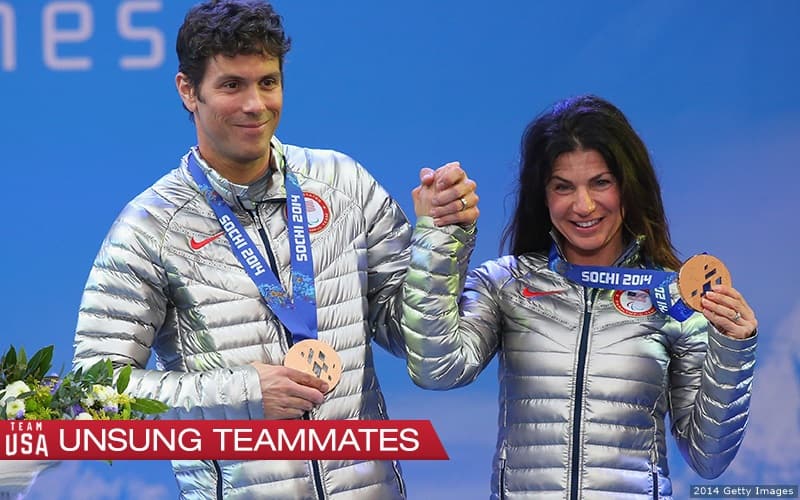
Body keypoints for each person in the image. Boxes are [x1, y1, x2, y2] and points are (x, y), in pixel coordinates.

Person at [72, 1, 478, 498]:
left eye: (267, 82)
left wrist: (439, 238)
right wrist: (243, 394)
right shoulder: (149, 228)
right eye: (231, 85)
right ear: (187, 91)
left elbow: (427, 355)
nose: (255, 105)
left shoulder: (342, 183)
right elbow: (97, 396)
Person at [402, 94, 757, 499]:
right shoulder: (506, 284)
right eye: (563, 187)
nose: (583, 205)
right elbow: (437, 369)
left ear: (628, 186)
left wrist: (733, 349)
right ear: (543, 195)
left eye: (601, 182)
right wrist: (438, 237)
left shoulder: (674, 301)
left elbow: (708, 458)